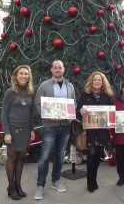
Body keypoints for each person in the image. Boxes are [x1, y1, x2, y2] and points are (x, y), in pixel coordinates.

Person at [33, 60, 76, 200]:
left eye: (60, 67)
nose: (58, 70)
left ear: (63, 69)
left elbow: (73, 103)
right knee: (44, 157)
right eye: (55, 67)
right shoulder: (44, 85)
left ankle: (56, 181)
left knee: (60, 155)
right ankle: (40, 185)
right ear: (51, 70)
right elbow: (38, 103)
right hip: (49, 126)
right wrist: (47, 115)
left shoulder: (70, 86)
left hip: (65, 126)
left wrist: (71, 115)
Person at [1, 65, 35, 200]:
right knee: (12, 158)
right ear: (16, 76)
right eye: (21, 73)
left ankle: (18, 185)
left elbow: (31, 113)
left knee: (22, 157)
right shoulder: (10, 92)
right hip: (13, 129)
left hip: (25, 129)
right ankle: (11, 187)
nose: (24, 76)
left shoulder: (30, 92)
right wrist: (7, 132)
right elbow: (4, 114)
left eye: (26, 74)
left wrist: (32, 129)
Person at [77, 71, 113, 193]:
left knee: (97, 156)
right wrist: (80, 111)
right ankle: (90, 182)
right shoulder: (85, 94)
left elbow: (110, 113)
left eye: (99, 80)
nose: (97, 82)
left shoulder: (107, 96)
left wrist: (110, 122)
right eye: (95, 80)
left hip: (102, 132)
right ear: (91, 82)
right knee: (91, 155)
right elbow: (78, 111)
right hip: (90, 132)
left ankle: (94, 180)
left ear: (102, 82)